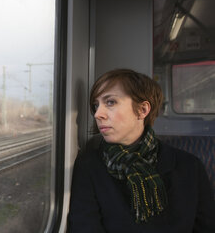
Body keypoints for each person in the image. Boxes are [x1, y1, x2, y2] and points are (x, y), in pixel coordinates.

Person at [67, 69, 215, 233]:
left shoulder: (189, 167)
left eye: (110, 102)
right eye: (96, 105)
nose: (97, 114)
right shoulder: (89, 166)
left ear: (143, 110)